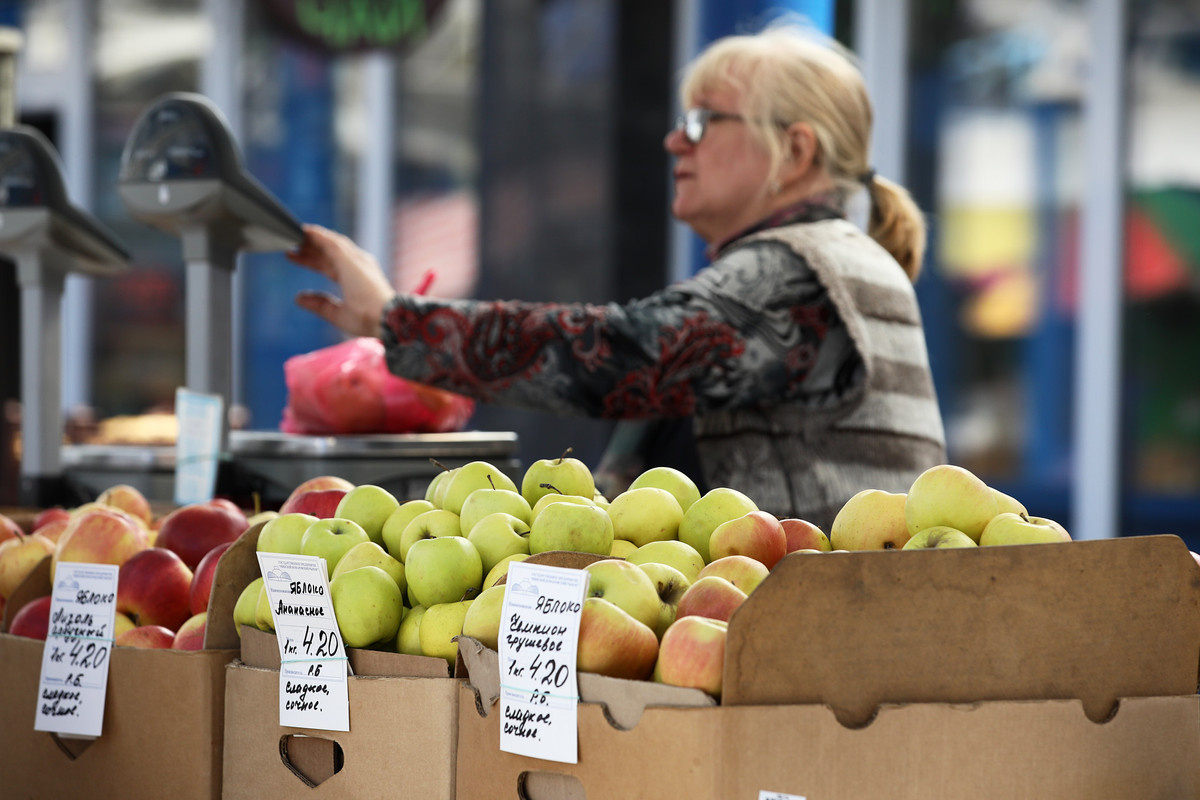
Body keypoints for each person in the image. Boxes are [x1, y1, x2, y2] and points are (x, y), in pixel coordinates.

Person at [286, 19, 946, 533]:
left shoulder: (796, 273)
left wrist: (397, 321)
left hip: (808, 644)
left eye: (702, 120)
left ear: (795, 151)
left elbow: (624, 352)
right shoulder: (822, 262)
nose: (674, 141)